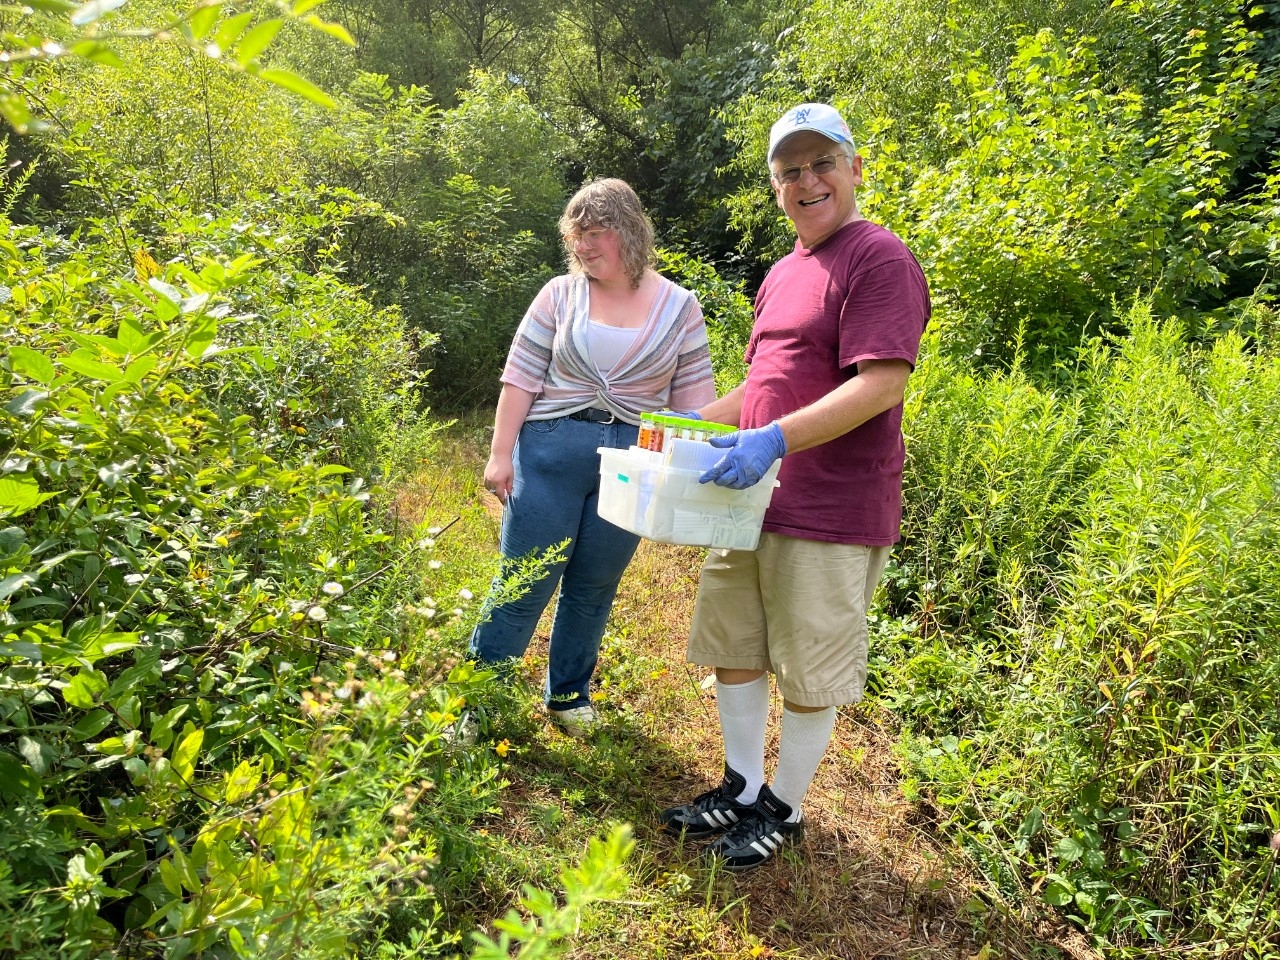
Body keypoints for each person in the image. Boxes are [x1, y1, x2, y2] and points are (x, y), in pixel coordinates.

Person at [659, 104, 931, 869]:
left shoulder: (878, 259)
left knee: (809, 670)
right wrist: (683, 425)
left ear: (853, 168)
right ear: (775, 187)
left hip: (830, 508)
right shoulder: (782, 274)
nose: (806, 182)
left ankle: (786, 806)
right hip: (749, 501)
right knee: (735, 647)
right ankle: (742, 788)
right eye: (790, 171)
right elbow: (763, 386)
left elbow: (880, 383)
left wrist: (774, 440)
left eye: (821, 165)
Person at [468, 178, 717, 738]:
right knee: (523, 579)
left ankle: (567, 696)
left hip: (631, 463)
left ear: (628, 233)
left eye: (595, 233)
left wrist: (695, 466)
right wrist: (499, 453)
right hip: (550, 452)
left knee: (593, 586)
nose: (582, 246)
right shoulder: (559, 294)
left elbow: (695, 402)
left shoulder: (680, 307)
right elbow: (520, 377)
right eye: (575, 235)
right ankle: (477, 700)